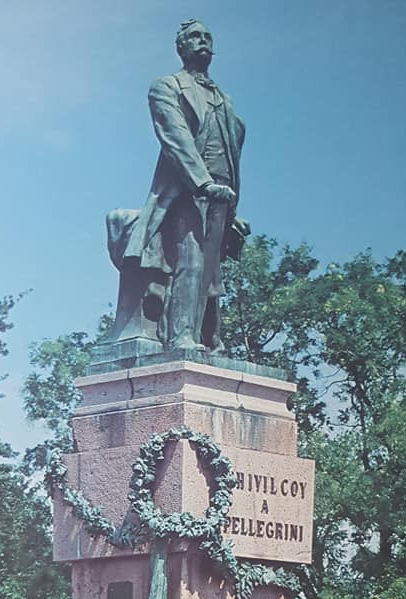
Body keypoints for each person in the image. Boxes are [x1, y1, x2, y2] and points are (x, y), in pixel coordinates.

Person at [106, 19, 249, 353]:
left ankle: (205, 337)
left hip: (222, 195)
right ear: (181, 47)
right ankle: (181, 336)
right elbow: (176, 137)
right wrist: (203, 183)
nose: (202, 42)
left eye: (207, 37)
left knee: (211, 274)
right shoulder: (166, 86)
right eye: (194, 37)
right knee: (191, 259)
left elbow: (231, 148)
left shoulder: (224, 99)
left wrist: (233, 210)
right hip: (185, 188)